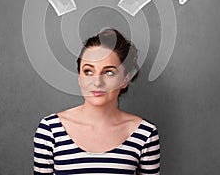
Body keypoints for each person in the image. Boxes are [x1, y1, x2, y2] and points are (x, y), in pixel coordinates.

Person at [33, 28, 160, 174]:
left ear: (125, 79)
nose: (97, 82)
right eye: (88, 71)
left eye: (109, 72)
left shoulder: (145, 134)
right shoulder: (50, 130)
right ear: (80, 78)